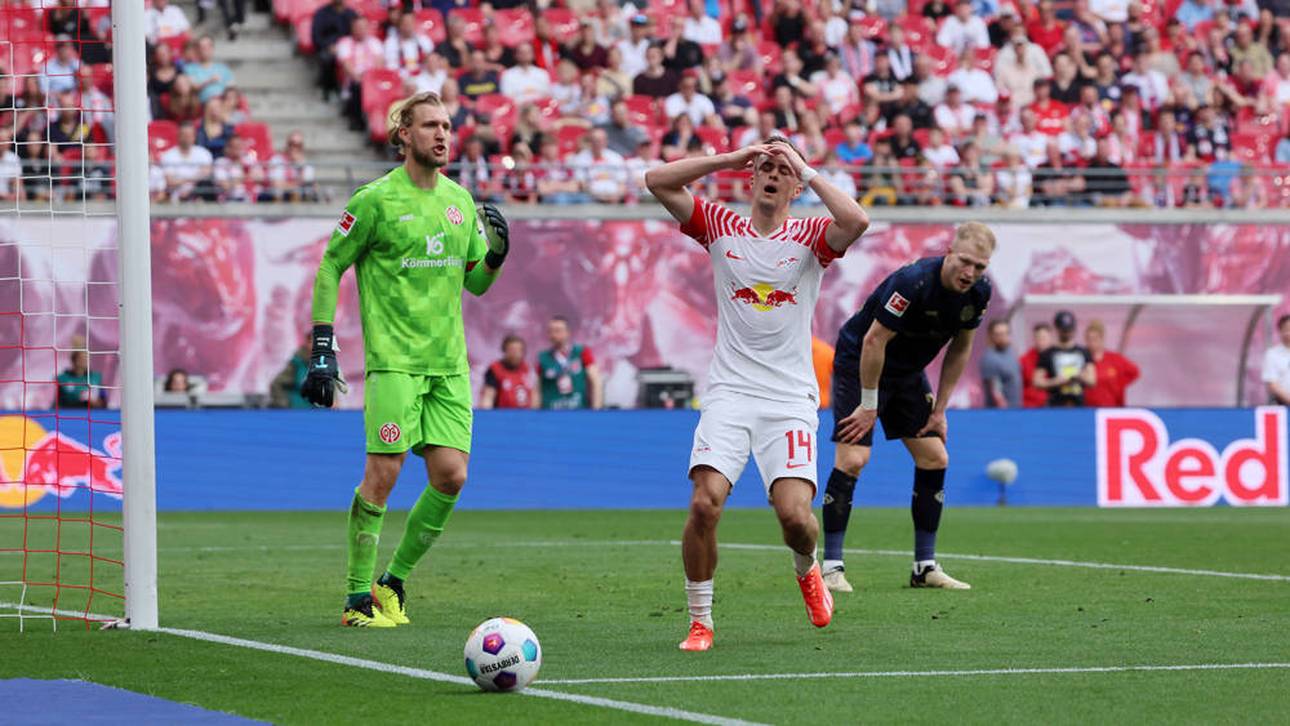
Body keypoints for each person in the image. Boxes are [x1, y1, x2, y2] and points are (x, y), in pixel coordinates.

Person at [645, 134, 869, 651]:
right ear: (752, 177)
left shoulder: (813, 235)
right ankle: (701, 621)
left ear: (793, 185)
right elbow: (656, 181)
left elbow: (857, 221)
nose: (772, 172)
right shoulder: (722, 226)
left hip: (789, 399)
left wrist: (807, 169)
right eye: (765, 165)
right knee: (705, 504)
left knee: (795, 520)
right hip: (729, 393)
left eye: (782, 168)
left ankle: (806, 570)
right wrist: (729, 157)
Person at [304, 91, 512, 628]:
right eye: (429, 126)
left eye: (447, 125)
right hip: (395, 362)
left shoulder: (459, 201)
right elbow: (331, 266)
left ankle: (391, 582)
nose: (442, 135)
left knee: (451, 477)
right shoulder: (375, 200)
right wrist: (322, 345)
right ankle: (355, 599)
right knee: (383, 474)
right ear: (404, 134)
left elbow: (476, 284)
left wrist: (494, 257)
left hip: (448, 366)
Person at [823, 222, 994, 594]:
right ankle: (831, 568)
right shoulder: (912, 282)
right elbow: (873, 341)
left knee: (935, 457)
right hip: (861, 363)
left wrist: (941, 409)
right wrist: (869, 404)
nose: (971, 273)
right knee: (853, 459)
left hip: (907, 374)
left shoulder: (979, 293)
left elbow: (961, 349)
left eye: (979, 267)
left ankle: (924, 567)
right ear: (949, 251)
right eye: (965, 262)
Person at [535, 316, 602, 410]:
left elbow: (596, 381)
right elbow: (537, 390)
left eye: (558, 330)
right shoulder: (543, 358)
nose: (553, 334)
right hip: (551, 414)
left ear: (568, 332)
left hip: (578, 412)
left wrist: (596, 410)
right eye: (551, 331)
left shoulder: (581, 352)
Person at [1034, 310, 1096, 407]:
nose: (1067, 333)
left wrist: (1078, 376)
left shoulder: (1084, 352)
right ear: (1057, 329)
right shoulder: (1047, 354)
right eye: (1064, 330)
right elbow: (1037, 381)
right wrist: (1055, 382)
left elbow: (1092, 380)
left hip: (1078, 403)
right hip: (1056, 404)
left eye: (1069, 329)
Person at [1082, 320, 1139, 407]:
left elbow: (1134, 372)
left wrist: (1118, 384)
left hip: (1111, 407)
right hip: (1087, 409)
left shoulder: (1114, 359)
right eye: (1089, 339)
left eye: (1094, 339)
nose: (1091, 343)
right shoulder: (1082, 359)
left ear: (1102, 339)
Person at [479, 334, 534, 409]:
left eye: (519, 350)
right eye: (512, 350)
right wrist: (486, 415)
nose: (516, 354)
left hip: (525, 415)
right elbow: (488, 396)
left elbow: (534, 394)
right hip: (502, 416)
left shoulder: (527, 369)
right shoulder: (495, 369)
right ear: (505, 351)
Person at [56, 337, 108, 409]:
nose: (84, 361)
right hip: (69, 415)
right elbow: (56, 404)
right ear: (73, 359)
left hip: (93, 414)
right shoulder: (62, 378)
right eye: (81, 358)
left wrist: (95, 402)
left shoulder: (96, 377)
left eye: (86, 358)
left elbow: (104, 402)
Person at [979, 319, 1021, 407]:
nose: (1003, 337)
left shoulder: (1011, 352)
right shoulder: (989, 358)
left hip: (1016, 408)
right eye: (999, 334)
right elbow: (995, 390)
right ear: (991, 336)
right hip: (1001, 412)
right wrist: (1004, 412)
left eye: (1006, 333)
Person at [270, 335, 312, 409]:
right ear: (308, 343)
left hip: (321, 413)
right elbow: (276, 384)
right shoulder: (297, 363)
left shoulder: (327, 363)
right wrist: (284, 404)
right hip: (298, 410)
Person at [1019, 322, 1052, 407]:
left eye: (1044, 338)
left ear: (1050, 338)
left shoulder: (1056, 357)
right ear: (1034, 338)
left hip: (1054, 406)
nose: (1041, 341)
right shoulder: (1024, 360)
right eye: (1038, 337)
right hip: (1031, 407)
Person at [1263, 314, 1290, 405]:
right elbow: (1272, 384)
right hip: (1282, 405)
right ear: (1280, 331)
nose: (1288, 333)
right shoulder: (1272, 354)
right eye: (1286, 329)